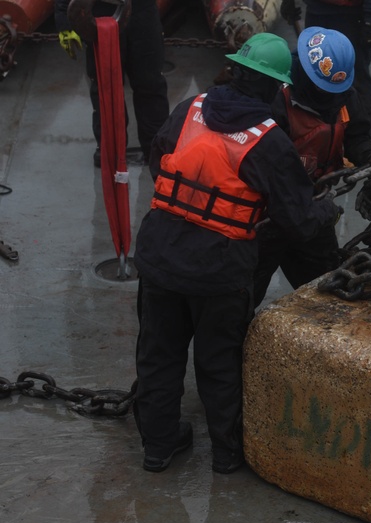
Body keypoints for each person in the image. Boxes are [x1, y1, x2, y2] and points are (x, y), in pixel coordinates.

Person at [132, 33, 341, 474]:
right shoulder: (268, 141)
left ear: (236, 70)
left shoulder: (189, 110)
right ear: (274, 87)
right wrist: (327, 208)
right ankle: (227, 455)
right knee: (219, 363)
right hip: (220, 272)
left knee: (158, 356)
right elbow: (299, 222)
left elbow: (158, 159)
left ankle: (158, 446)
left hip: (161, 255)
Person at [253, 27, 371, 308]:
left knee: (325, 291)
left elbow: (356, 136)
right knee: (245, 292)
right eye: (325, 90)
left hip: (314, 205)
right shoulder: (277, 100)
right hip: (268, 214)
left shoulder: (344, 94)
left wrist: (370, 158)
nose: (331, 98)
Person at [55, 0, 169, 167]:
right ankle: (110, 150)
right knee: (105, 88)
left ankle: (156, 149)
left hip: (143, 13)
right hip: (100, 15)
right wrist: (65, 21)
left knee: (151, 84)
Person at [280, 0, 371, 129]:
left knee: (352, 77)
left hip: (350, 16)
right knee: (313, 74)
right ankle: (318, 135)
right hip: (316, 11)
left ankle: (360, 136)